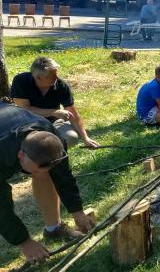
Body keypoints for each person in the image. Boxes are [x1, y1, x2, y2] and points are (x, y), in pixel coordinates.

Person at [0, 102, 95, 261]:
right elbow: (1, 208)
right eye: (36, 169)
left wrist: (77, 211)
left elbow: (64, 177)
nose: (40, 173)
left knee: (44, 173)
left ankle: (54, 229)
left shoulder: (51, 137)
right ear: (21, 155)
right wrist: (24, 242)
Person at [11, 56, 99, 149]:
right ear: (38, 77)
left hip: (53, 123)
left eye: (56, 74)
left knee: (70, 137)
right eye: (51, 76)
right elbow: (24, 110)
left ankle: (54, 154)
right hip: (26, 123)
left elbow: (73, 113)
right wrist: (54, 112)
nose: (56, 77)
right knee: (27, 142)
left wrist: (85, 138)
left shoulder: (61, 86)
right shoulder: (21, 81)